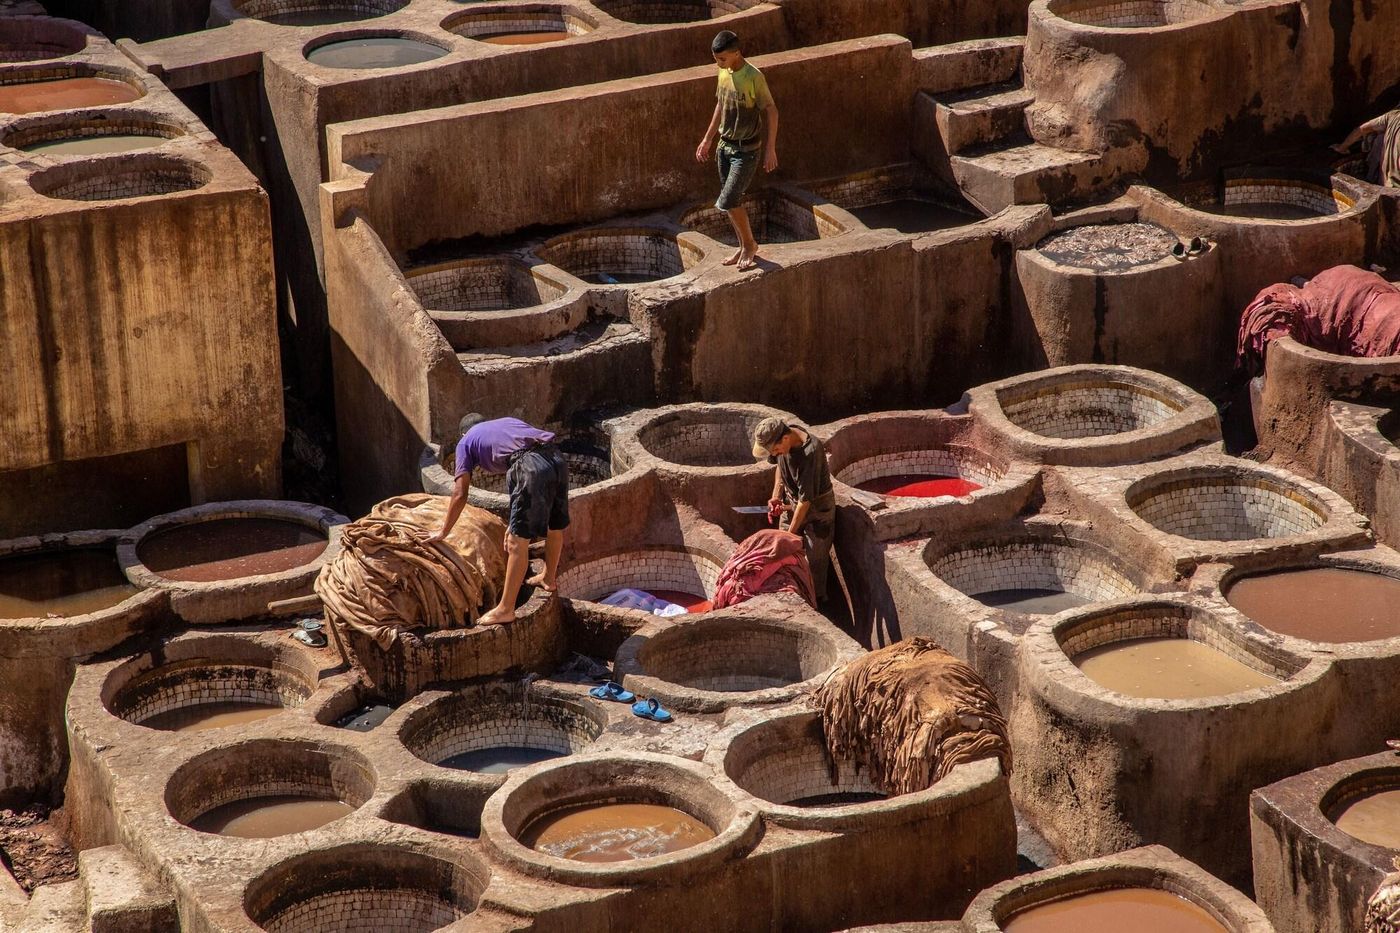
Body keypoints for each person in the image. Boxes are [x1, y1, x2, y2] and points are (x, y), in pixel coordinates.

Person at [430, 414, 569, 626]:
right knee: (554, 526)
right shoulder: (506, 423)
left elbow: (460, 492)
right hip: (556, 457)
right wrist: (513, 522)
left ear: (464, 433)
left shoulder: (465, 442)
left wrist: (443, 531)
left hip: (529, 466)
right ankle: (549, 578)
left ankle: (505, 609)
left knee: (516, 543)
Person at [694, 29, 779, 271]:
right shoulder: (723, 72)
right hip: (725, 147)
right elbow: (720, 105)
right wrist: (707, 139)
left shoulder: (753, 76)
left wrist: (770, 148)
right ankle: (743, 246)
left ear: (737, 53)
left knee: (729, 199)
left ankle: (750, 245)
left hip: (746, 150)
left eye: (722, 59)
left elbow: (771, 110)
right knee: (731, 201)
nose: (718, 64)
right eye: (716, 59)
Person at [751, 417, 835, 604]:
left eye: (775, 450)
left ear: (785, 439)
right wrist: (776, 495)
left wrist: (788, 535)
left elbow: (805, 501)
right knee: (781, 554)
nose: (775, 454)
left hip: (817, 510)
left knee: (814, 561)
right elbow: (780, 466)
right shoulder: (783, 438)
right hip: (793, 502)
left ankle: (816, 602)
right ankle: (791, 595)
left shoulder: (810, 453)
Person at [1333, 107, 1400, 188]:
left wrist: (1342, 147)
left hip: (1385, 184)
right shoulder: (1392, 116)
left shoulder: (1393, 116)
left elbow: (1361, 130)